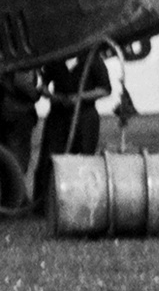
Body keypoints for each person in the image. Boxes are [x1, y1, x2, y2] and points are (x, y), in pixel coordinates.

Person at [32, 47, 111, 214]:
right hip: (58, 115)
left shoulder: (92, 59)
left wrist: (80, 97)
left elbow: (105, 89)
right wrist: (51, 96)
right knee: (50, 158)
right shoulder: (55, 59)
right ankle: (43, 206)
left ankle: (82, 204)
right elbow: (42, 84)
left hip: (84, 116)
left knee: (83, 158)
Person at [0, 68, 41, 183]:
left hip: (10, 112)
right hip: (20, 113)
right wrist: (38, 93)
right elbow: (22, 83)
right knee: (19, 155)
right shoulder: (22, 64)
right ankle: (17, 187)